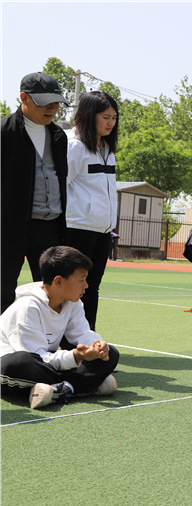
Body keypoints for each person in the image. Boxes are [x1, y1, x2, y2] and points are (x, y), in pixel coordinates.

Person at [0, 246, 118, 409]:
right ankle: (85, 384)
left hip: (45, 361)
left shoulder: (73, 302)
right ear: (59, 281)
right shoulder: (27, 308)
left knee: (111, 354)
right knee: (18, 363)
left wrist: (97, 344)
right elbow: (34, 356)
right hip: (15, 363)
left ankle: (60, 389)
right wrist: (75, 357)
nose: (86, 286)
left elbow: (82, 333)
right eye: (81, 279)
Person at [1, 73, 70, 313]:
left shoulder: (59, 136)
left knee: (52, 291)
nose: (53, 107)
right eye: (45, 101)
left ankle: (46, 345)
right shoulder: (4, 132)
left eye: (56, 101)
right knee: (3, 288)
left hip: (49, 228)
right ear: (24, 98)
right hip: (9, 228)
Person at [63, 91, 119, 331]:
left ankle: (88, 338)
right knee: (70, 287)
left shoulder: (107, 148)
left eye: (114, 118)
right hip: (77, 229)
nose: (111, 123)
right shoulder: (74, 145)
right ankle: (63, 341)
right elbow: (59, 187)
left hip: (103, 230)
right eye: (106, 116)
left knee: (92, 286)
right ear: (88, 115)